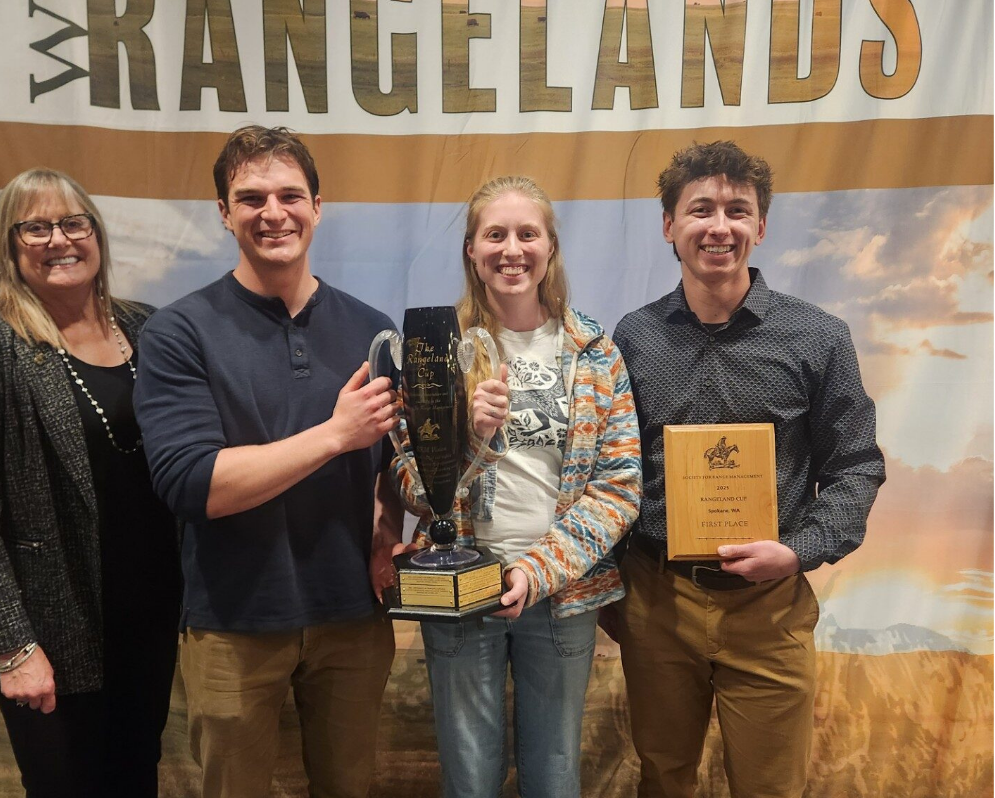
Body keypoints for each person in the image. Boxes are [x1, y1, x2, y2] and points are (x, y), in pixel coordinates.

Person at [609, 141, 886, 798]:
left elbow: (854, 467)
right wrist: (614, 584)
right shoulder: (632, 338)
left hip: (770, 609)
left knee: (772, 787)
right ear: (669, 225)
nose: (719, 227)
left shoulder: (818, 337)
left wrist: (796, 553)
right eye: (700, 209)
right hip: (659, 601)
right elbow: (609, 469)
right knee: (663, 779)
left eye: (738, 210)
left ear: (760, 226)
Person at [132, 125, 402, 798]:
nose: (272, 213)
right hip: (233, 622)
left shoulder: (373, 330)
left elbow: (399, 461)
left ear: (318, 205)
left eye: (290, 194)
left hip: (352, 618)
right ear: (224, 213)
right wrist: (335, 434)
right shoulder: (178, 333)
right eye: (250, 198)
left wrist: (390, 530)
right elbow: (195, 485)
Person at [0, 168, 182, 798]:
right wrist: (14, 646)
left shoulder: (148, 328)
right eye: (35, 227)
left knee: (134, 776)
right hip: (49, 628)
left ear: (96, 234)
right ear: (9, 247)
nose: (58, 239)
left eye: (73, 222)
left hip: (146, 614)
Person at [391, 175, 642, 798]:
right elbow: (412, 487)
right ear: (472, 252)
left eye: (527, 234)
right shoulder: (431, 350)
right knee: (470, 779)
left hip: (558, 591)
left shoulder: (595, 353)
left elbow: (620, 487)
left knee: (554, 775)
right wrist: (465, 439)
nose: (512, 249)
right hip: (460, 592)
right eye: (494, 234)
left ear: (550, 248)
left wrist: (537, 570)